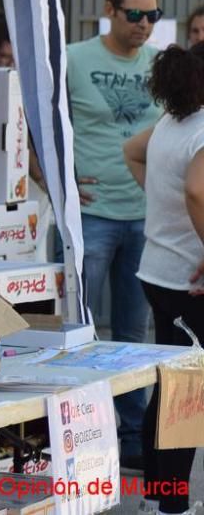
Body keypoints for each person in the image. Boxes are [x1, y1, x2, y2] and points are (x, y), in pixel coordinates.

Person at [66, 0, 163, 470]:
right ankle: (77, 432)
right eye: (134, 14)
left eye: (152, 15)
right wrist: (52, 182)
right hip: (91, 212)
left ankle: (130, 434)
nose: (144, 24)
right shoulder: (74, 58)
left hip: (144, 214)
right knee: (78, 328)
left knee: (132, 332)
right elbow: (36, 123)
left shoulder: (160, 65)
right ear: (109, 9)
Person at [123, 43, 204, 515]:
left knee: (170, 386)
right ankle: (171, 507)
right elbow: (196, 189)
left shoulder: (174, 124)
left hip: (158, 271)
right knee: (186, 396)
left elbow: (130, 151)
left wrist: (162, 199)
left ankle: (159, 500)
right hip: (185, 279)